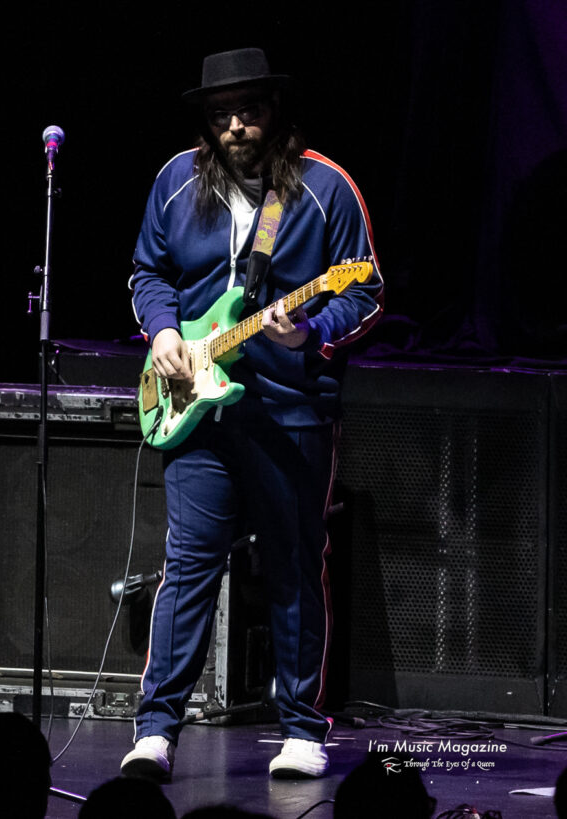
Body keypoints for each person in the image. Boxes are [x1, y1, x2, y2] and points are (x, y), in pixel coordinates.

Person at [122, 47, 383, 781]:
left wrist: (311, 332)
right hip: (198, 409)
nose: (236, 125)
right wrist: (164, 332)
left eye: (249, 111)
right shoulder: (176, 182)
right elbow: (149, 272)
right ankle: (156, 731)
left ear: (275, 110)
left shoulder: (326, 188)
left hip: (291, 409)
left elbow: (364, 291)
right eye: (221, 115)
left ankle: (301, 729)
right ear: (206, 122)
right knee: (188, 567)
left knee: (294, 565)